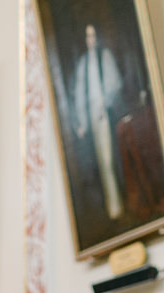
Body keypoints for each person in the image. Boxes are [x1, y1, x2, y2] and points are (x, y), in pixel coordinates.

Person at [71, 24, 126, 223]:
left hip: (107, 113)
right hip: (93, 116)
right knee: (101, 163)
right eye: (87, 36)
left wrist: (106, 102)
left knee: (111, 159)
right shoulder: (83, 64)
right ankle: (112, 207)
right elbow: (79, 96)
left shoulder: (106, 57)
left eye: (93, 35)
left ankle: (119, 204)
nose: (90, 39)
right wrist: (82, 123)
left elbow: (115, 83)